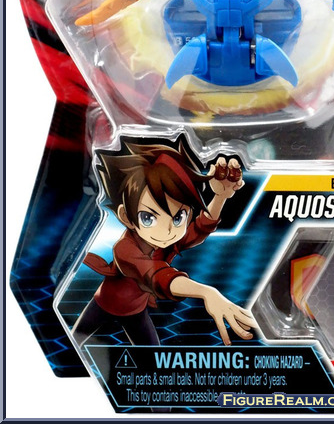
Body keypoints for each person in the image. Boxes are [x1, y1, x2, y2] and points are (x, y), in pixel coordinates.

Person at [72, 137, 255, 347]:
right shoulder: (125, 249)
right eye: (148, 218)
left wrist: (220, 197)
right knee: (73, 341)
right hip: (104, 304)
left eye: (178, 218)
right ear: (125, 216)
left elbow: (197, 230)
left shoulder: (165, 241)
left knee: (153, 358)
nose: (167, 230)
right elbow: (159, 276)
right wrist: (206, 292)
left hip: (136, 311)